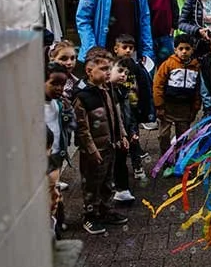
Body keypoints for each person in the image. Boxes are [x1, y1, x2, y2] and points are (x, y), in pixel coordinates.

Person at [72, 48, 129, 235]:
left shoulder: (108, 89)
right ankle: (90, 217)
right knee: (91, 184)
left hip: (110, 145)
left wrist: (122, 135)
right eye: (103, 69)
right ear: (89, 71)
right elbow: (82, 128)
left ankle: (106, 210)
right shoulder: (83, 96)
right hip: (94, 149)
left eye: (109, 68)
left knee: (107, 181)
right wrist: (91, 149)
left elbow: (116, 113)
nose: (108, 72)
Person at [152, 34, 203, 172]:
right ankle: (165, 159)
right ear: (175, 50)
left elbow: (198, 90)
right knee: (163, 135)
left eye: (187, 48)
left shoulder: (196, 67)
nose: (184, 52)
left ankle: (180, 160)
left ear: (192, 50)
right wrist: (159, 106)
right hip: (168, 107)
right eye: (181, 48)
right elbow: (158, 85)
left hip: (185, 109)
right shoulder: (168, 64)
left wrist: (195, 109)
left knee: (183, 136)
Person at [108, 58, 144, 204]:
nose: (123, 75)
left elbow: (129, 114)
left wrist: (132, 130)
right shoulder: (108, 92)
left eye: (126, 73)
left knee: (121, 160)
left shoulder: (123, 90)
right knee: (113, 161)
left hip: (123, 132)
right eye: (120, 71)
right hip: (112, 135)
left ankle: (122, 190)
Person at [112, 33, 156, 140]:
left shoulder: (135, 66)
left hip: (133, 101)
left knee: (133, 124)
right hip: (118, 101)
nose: (128, 50)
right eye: (124, 47)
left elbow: (142, 84)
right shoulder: (113, 65)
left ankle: (135, 148)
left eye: (131, 48)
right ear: (116, 49)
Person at [44, 62, 73, 219]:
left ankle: (58, 225)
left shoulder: (58, 103)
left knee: (55, 193)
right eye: (54, 83)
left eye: (62, 84)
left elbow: (67, 125)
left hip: (56, 155)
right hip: (44, 159)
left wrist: (68, 110)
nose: (59, 88)